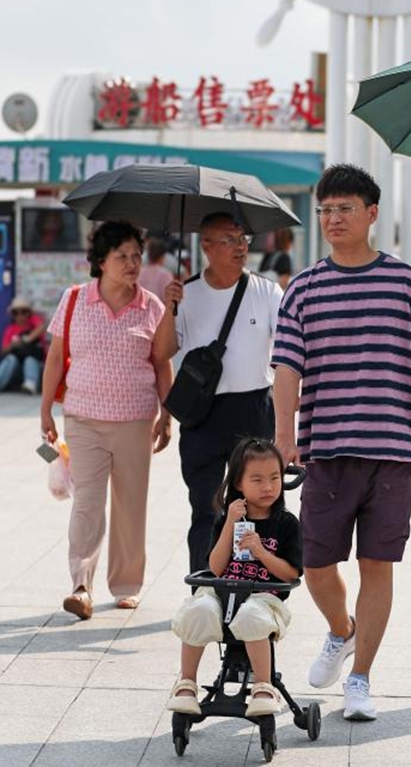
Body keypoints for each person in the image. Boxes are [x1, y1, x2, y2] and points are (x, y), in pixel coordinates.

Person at [273, 164, 411, 722]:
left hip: (393, 452)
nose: (332, 219)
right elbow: (286, 368)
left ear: (372, 213)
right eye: (325, 210)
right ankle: (340, 629)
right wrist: (283, 435)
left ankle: (360, 678)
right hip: (324, 449)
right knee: (316, 565)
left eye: (344, 209)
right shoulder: (303, 286)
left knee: (378, 565)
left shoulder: (405, 283)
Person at [40, 221, 175, 620]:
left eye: (136, 255)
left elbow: (162, 363)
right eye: (122, 256)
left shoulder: (151, 304)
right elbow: (55, 356)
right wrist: (45, 407)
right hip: (82, 419)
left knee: (131, 504)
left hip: (135, 420)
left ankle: (127, 584)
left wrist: (167, 416)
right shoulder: (74, 299)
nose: (132, 263)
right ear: (101, 261)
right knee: (88, 502)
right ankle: (81, 584)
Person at [164, 213, 283, 573]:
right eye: (230, 240)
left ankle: (253, 588)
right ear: (207, 247)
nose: (241, 247)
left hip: (253, 409)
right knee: (205, 505)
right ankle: (204, 585)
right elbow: (161, 351)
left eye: (243, 238)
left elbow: (291, 351)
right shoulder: (186, 293)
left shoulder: (267, 292)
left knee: (257, 506)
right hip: (203, 414)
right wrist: (168, 309)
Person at [168, 437, 302, 719]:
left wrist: (261, 552)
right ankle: (186, 684)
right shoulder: (229, 518)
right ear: (239, 483)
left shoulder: (286, 524)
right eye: (257, 480)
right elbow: (216, 568)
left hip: (264, 597)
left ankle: (263, 686)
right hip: (223, 593)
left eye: (274, 478)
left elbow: (291, 573)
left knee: (253, 615)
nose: (268, 487)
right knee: (199, 608)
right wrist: (230, 522)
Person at [0, 296, 46, 394]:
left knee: (30, 359)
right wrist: (13, 345)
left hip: (36, 363)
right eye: (16, 313)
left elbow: (42, 327)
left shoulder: (34, 322)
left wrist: (26, 339)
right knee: (11, 358)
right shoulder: (10, 329)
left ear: (29, 313)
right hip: (16, 366)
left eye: (23, 312)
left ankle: (30, 383)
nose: (20, 316)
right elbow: (3, 351)